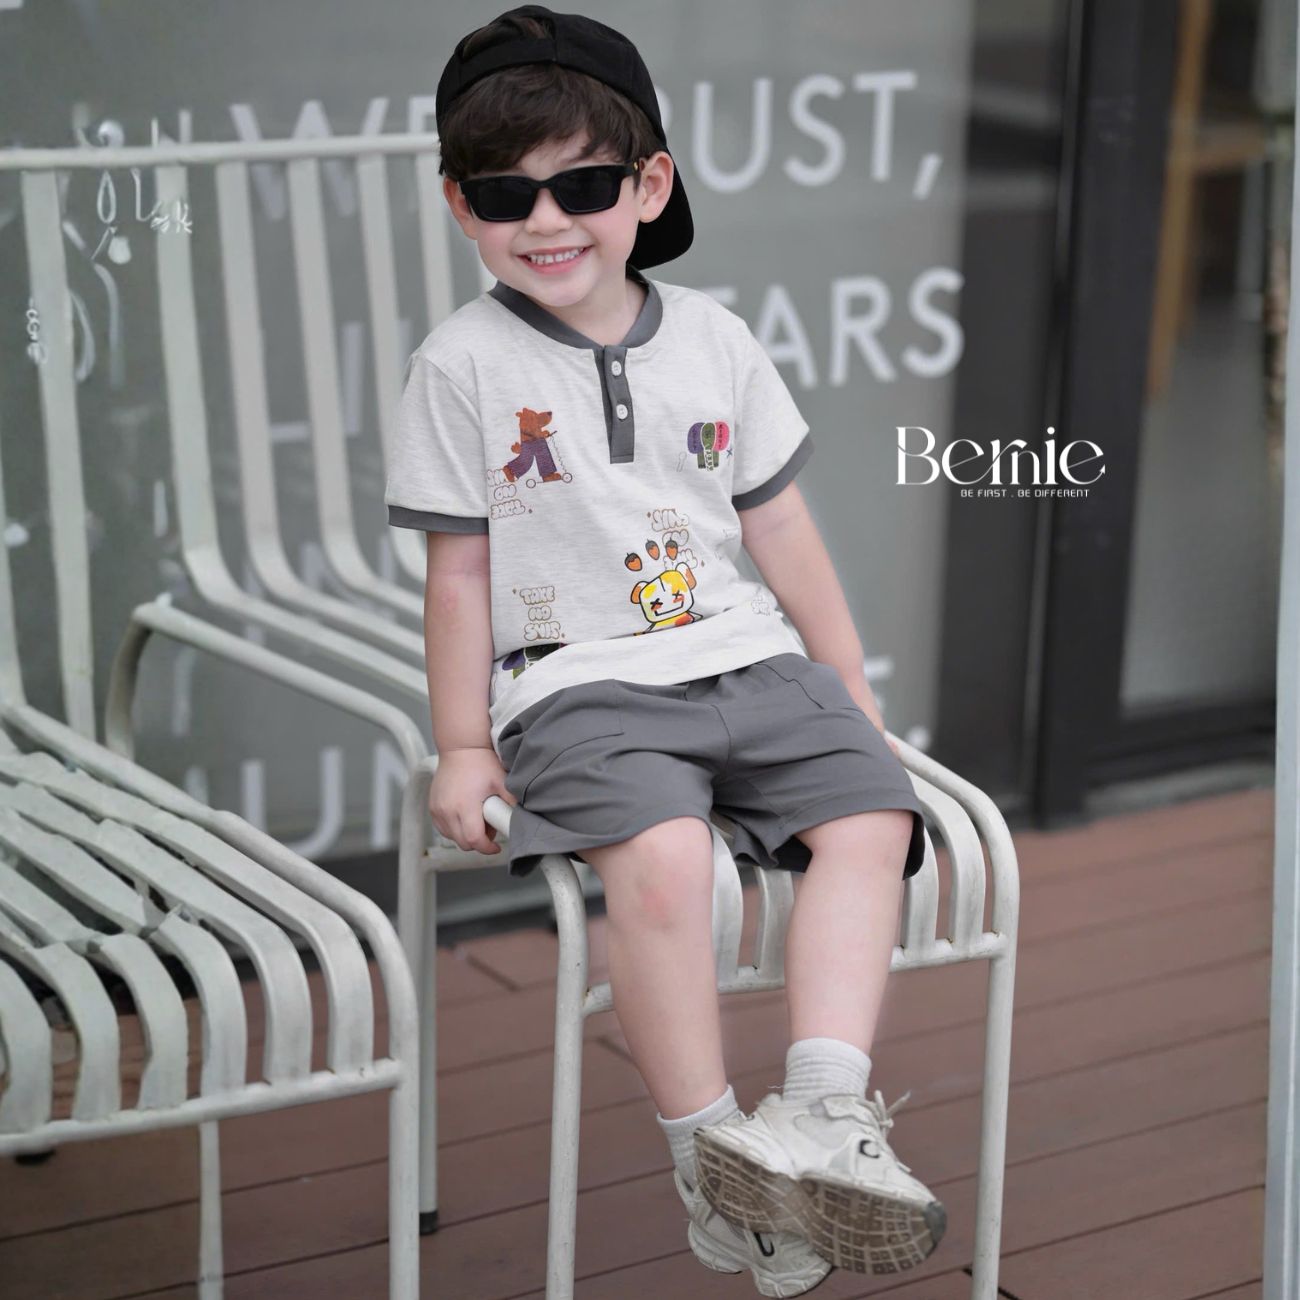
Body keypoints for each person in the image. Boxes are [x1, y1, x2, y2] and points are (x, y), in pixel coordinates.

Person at [385, 5, 946, 1293]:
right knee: (663, 860)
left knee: (873, 814)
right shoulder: (461, 366)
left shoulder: (713, 339)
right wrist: (464, 743)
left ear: (648, 186)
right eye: (504, 195)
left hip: (744, 655)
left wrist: (847, 681)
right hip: (578, 685)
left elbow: (779, 523)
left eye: (583, 186)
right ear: (462, 206)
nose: (546, 221)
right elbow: (459, 570)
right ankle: (713, 1161)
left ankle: (821, 1111)